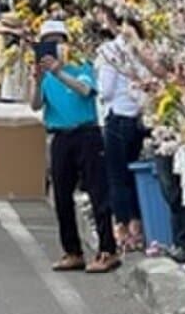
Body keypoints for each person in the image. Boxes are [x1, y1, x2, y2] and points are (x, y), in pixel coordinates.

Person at [30, 20, 119, 273]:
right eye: (48, 42)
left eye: (58, 41)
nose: (53, 47)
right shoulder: (44, 75)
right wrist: (38, 81)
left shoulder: (82, 66)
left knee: (97, 192)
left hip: (87, 133)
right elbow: (35, 105)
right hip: (60, 135)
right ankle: (72, 251)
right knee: (61, 195)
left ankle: (107, 250)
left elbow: (84, 90)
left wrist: (60, 72)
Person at [97, 12, 147, 252]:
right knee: (134, 174)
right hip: (140, 118)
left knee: (117, 177)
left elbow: (105, 90)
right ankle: (138, 225)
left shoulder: (110, 51)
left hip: (117, 117)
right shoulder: (145, 49)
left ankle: (123, 228)